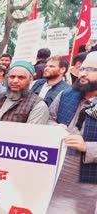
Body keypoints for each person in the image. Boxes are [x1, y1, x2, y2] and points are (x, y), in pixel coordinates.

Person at [47, 51, 97, 214]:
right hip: (55, 174)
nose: (82, 73)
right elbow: (50, 119)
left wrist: (87, 147)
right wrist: (54, 127)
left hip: (87, 185)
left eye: (90, 69)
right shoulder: (67, 94)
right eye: (81, 68)